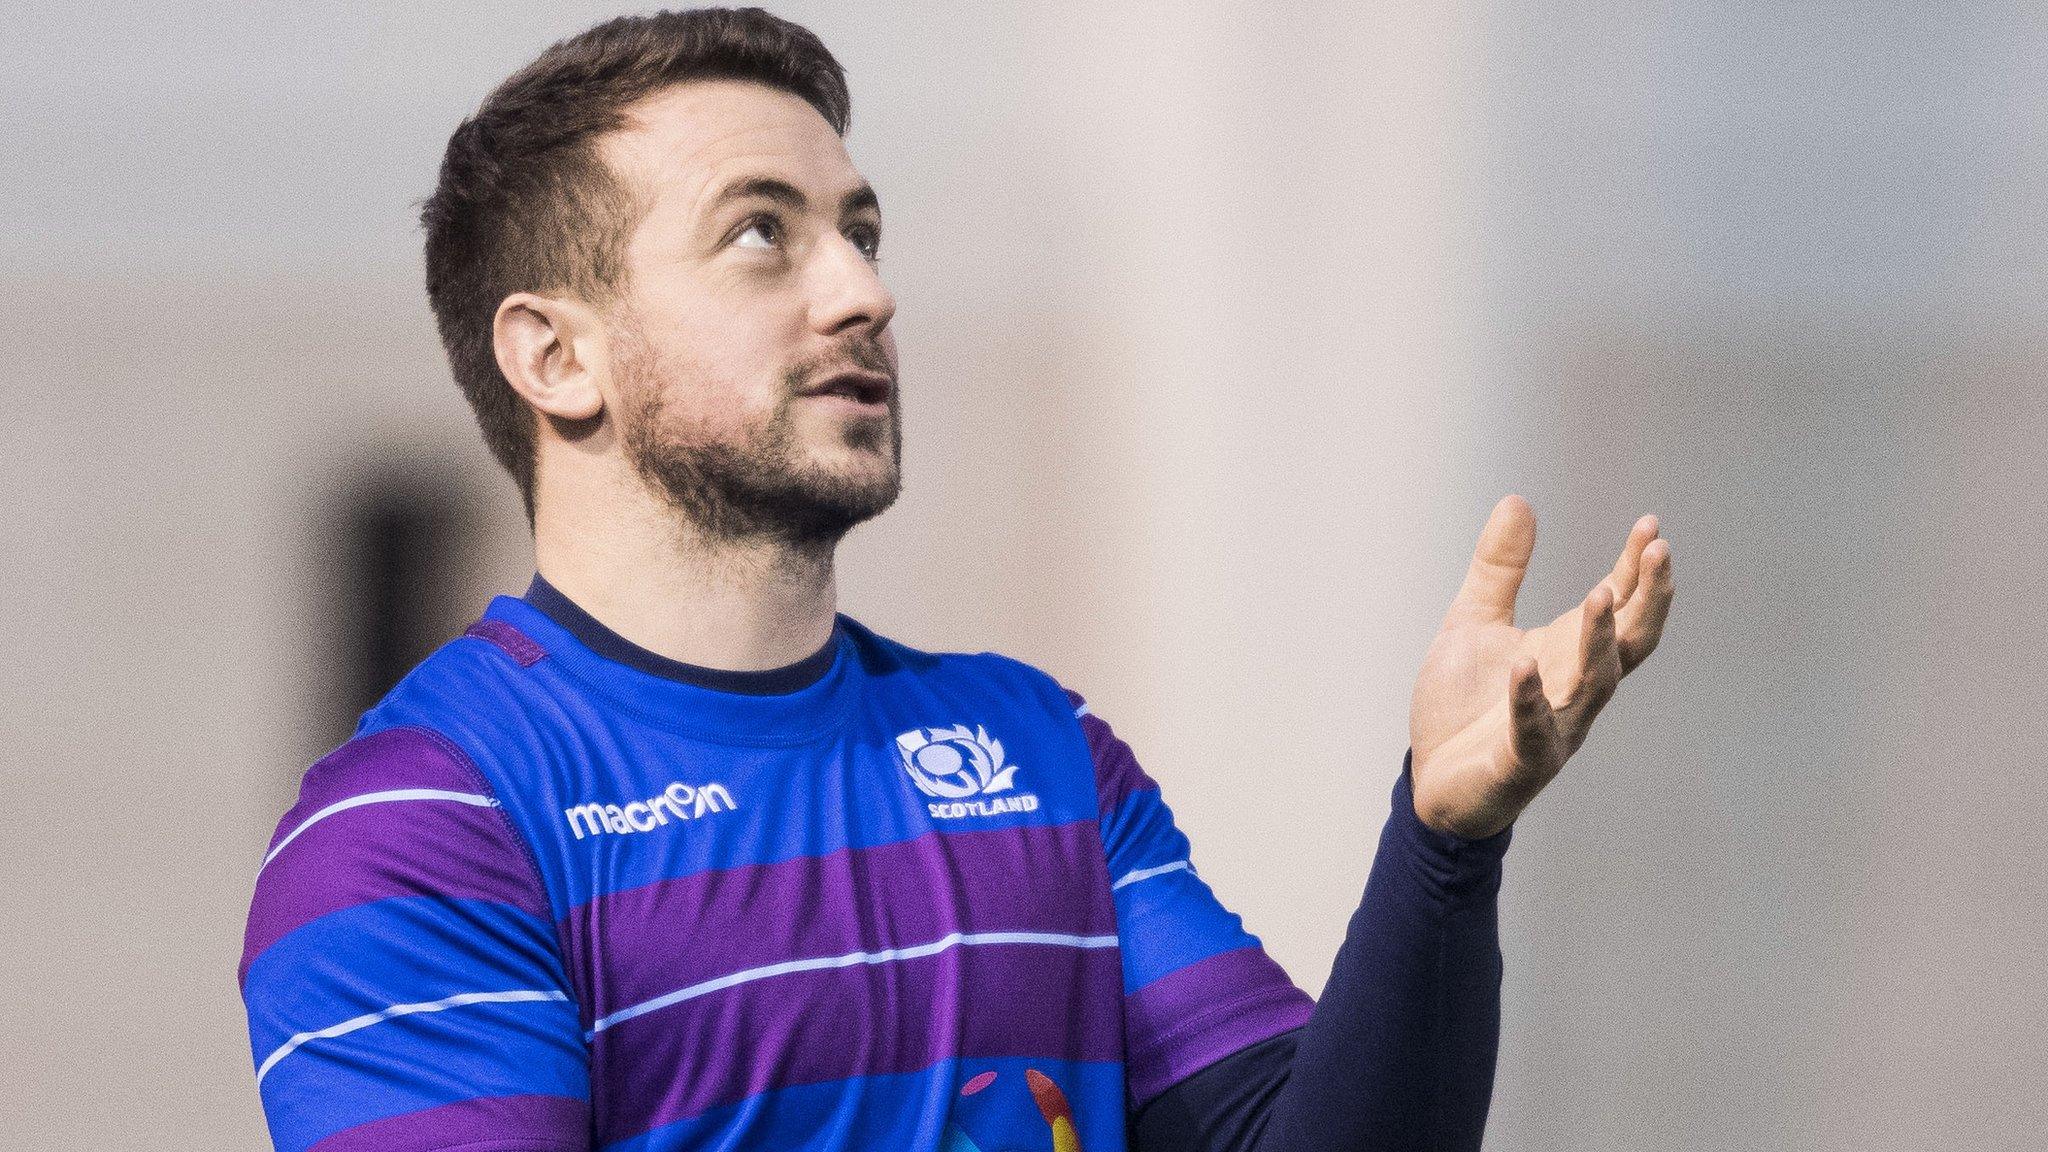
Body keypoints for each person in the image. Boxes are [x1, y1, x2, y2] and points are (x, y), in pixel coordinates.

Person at [238, 8, 1674, 1152]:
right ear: (556, 357)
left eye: (858, 232)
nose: (863, 291)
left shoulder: (1034, 752)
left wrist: (1440, 843)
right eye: (762, 234)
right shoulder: (414, 837)